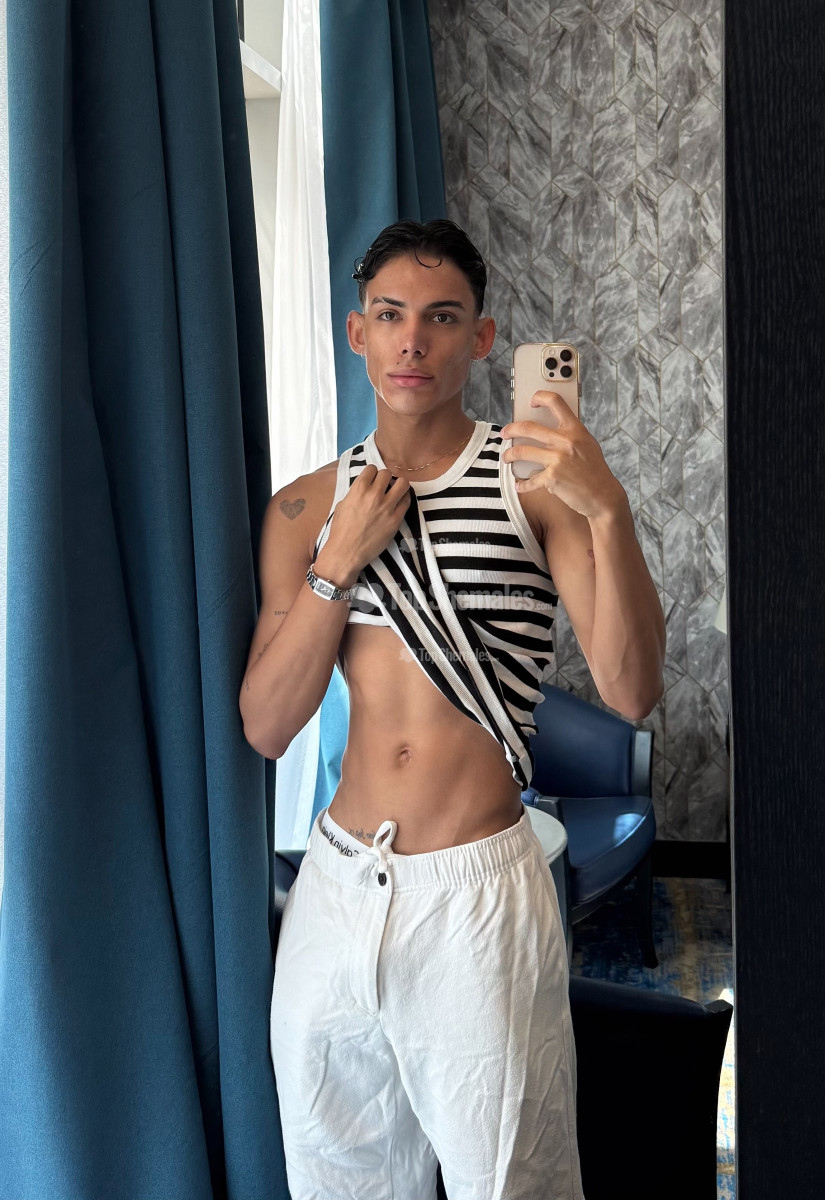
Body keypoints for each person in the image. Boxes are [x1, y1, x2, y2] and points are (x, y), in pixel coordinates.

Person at [240, 219, 665, 1200]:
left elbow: (631, 688)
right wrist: (338, 564)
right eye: (390, 316)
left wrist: (608, 507)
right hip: (338, 889)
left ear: (480, 340)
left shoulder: (536, 487)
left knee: (509, 1180)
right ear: (358, 333)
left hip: (476, 895)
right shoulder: (306, 509)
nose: (412, 341)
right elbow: (267, 724)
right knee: (334, 1180)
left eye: (441, 318)